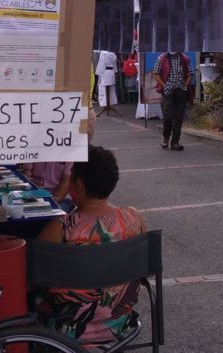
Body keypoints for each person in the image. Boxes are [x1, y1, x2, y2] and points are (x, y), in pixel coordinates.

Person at [35, 146, 147, 348]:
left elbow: (31, 278)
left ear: (78, 185)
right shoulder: (134, 217)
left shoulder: (61, 228)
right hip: (118, 321)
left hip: (65, 328)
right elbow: (146, 268)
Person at [152, 50, 191, 150]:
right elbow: (155, 73)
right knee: (168, 116)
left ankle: (175, 142)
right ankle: (166, 138)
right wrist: (164, 86)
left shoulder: (184, 58)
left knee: (179, 116)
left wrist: (185, 86)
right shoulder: (162, 58)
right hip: (168, 90)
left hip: (180, 90)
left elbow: (190, 73)